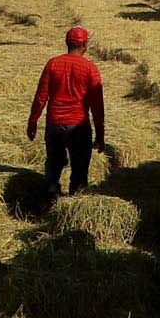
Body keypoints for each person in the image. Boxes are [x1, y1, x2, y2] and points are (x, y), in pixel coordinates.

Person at [27, 26, 105, 195]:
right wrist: (100, 134)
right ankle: (74, 199)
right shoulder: (90, 68)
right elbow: (97, 106)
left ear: (67, 43)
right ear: (84, 45)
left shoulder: (53, 63)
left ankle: (50, 194)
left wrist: (32, 122)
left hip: (54, 124)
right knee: (79, 169)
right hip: (78, 126)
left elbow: (41, 97)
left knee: (54, 164)